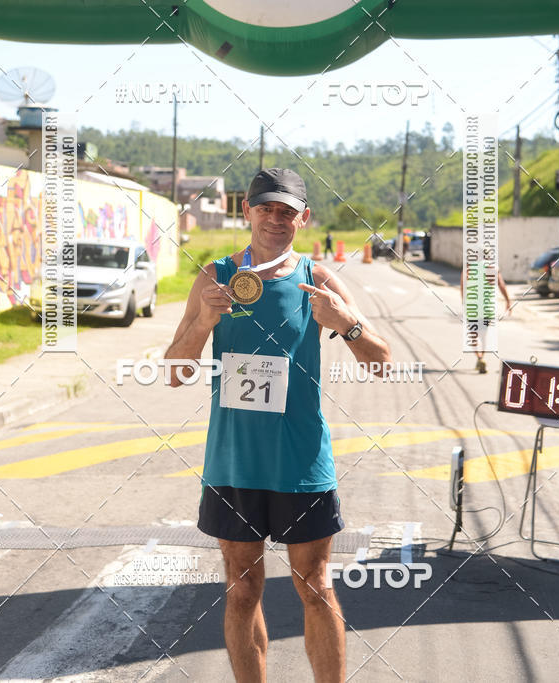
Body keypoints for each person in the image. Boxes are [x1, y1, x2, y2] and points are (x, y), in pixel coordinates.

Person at [165, 167, 391, 683]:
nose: (275, 218)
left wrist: (346, 324)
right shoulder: (216, 276)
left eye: (286, 210)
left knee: (315, 586)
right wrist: (203, 322)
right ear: (246, 210)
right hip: (234, 462)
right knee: (242, 590)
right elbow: (176, 373)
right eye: (265, 207)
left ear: (303, 218)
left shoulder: (318, 278)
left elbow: (380, 358)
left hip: (302, 463)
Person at [460, 262, 512, 373]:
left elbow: (463, 285)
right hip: (487, 307)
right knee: (483, 336)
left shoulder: (469, 267)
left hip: (472, 307)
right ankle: (482, 358)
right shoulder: (492, 267)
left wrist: (463, 301)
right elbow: (501, 284)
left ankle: (479, 358)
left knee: (473, 335)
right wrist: (508, 301)